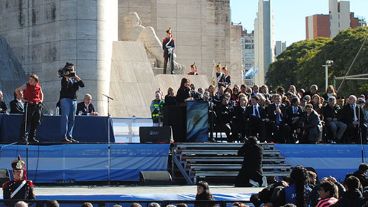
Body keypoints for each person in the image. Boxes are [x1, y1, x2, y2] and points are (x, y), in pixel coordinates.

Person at [59, 62, 85, 143]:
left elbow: (82, 85)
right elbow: (65, 88)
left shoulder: (74, 78)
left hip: (73, 100)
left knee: (72, 119)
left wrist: (76, 76)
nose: (71, 70)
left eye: (72, 69)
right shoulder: (64, 78)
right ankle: (64, 137)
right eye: (70, 69)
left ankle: (69, 136)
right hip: (65, 99)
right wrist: (66, 76)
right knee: (65, 118)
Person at [16, 74, 44, 144]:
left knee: (35, 122)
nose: (30, 81)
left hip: (37, 105)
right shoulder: (26, 85)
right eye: (29, 80)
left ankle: (32, 138)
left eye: (31, 80)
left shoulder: (38, 86)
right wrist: (22, 99)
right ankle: (22, 138)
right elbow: (17, 90)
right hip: (29, 104)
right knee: (26, 121)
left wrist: (41, 100)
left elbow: (41, 93)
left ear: (35, 81)